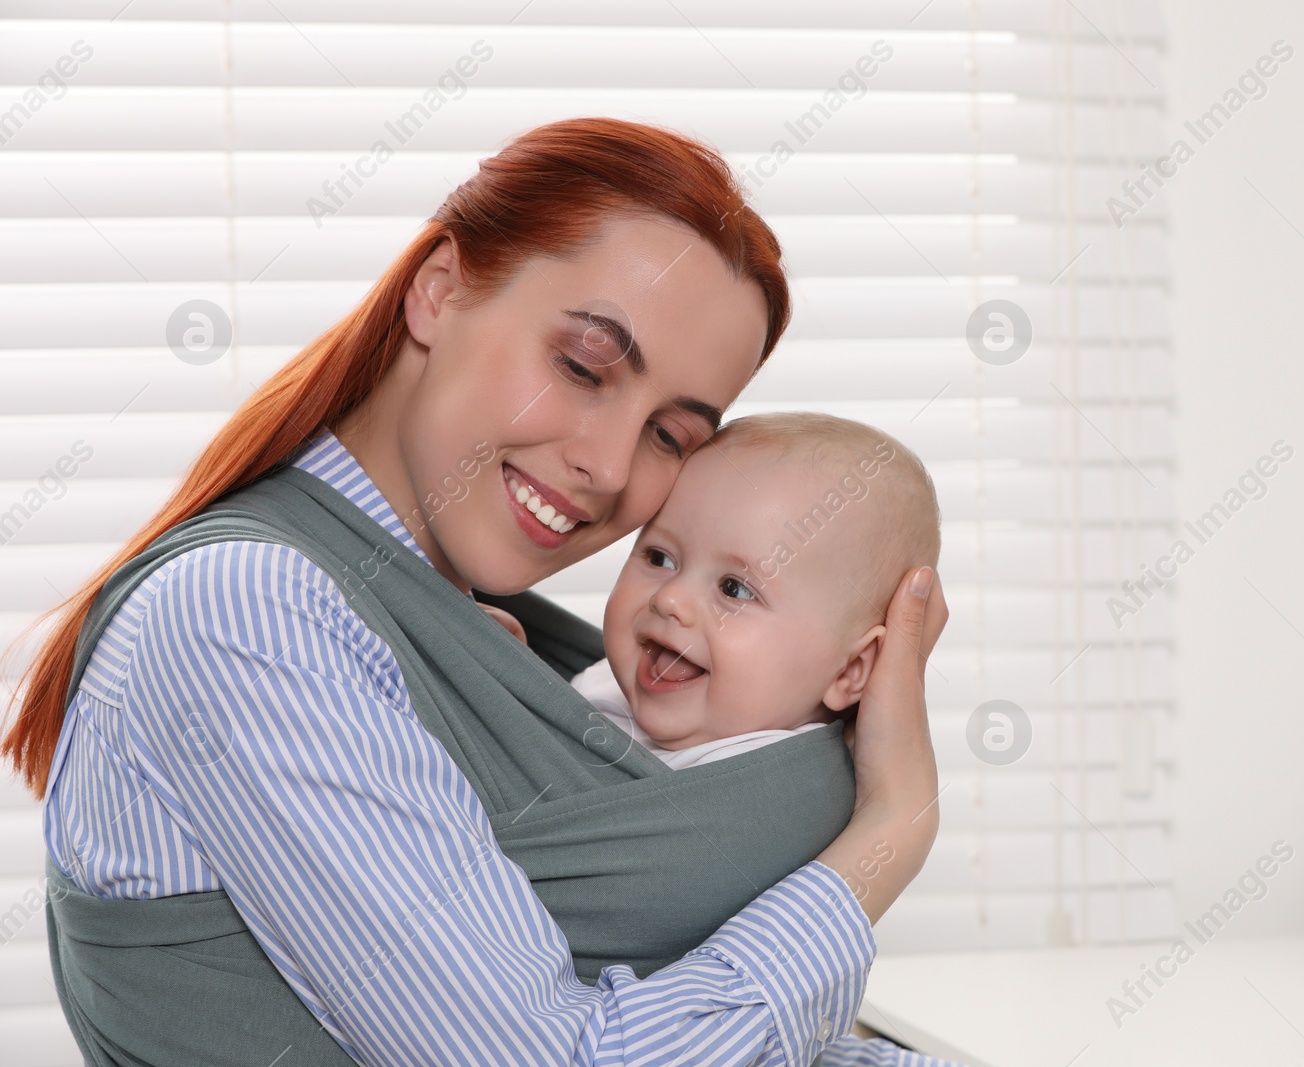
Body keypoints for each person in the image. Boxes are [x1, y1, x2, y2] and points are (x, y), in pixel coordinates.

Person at [1, 118, 952, 1065]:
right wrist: (889, 827)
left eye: (672, 435)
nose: (608, 464)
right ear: (439, 291)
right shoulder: (241, 613)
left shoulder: (495, 647)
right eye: (582, 368)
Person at [542, 411, 940, 772]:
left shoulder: (774, 789)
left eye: (734, 589)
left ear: (851, 670)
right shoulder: (605, 684)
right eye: (660, 558)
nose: (670, 599)